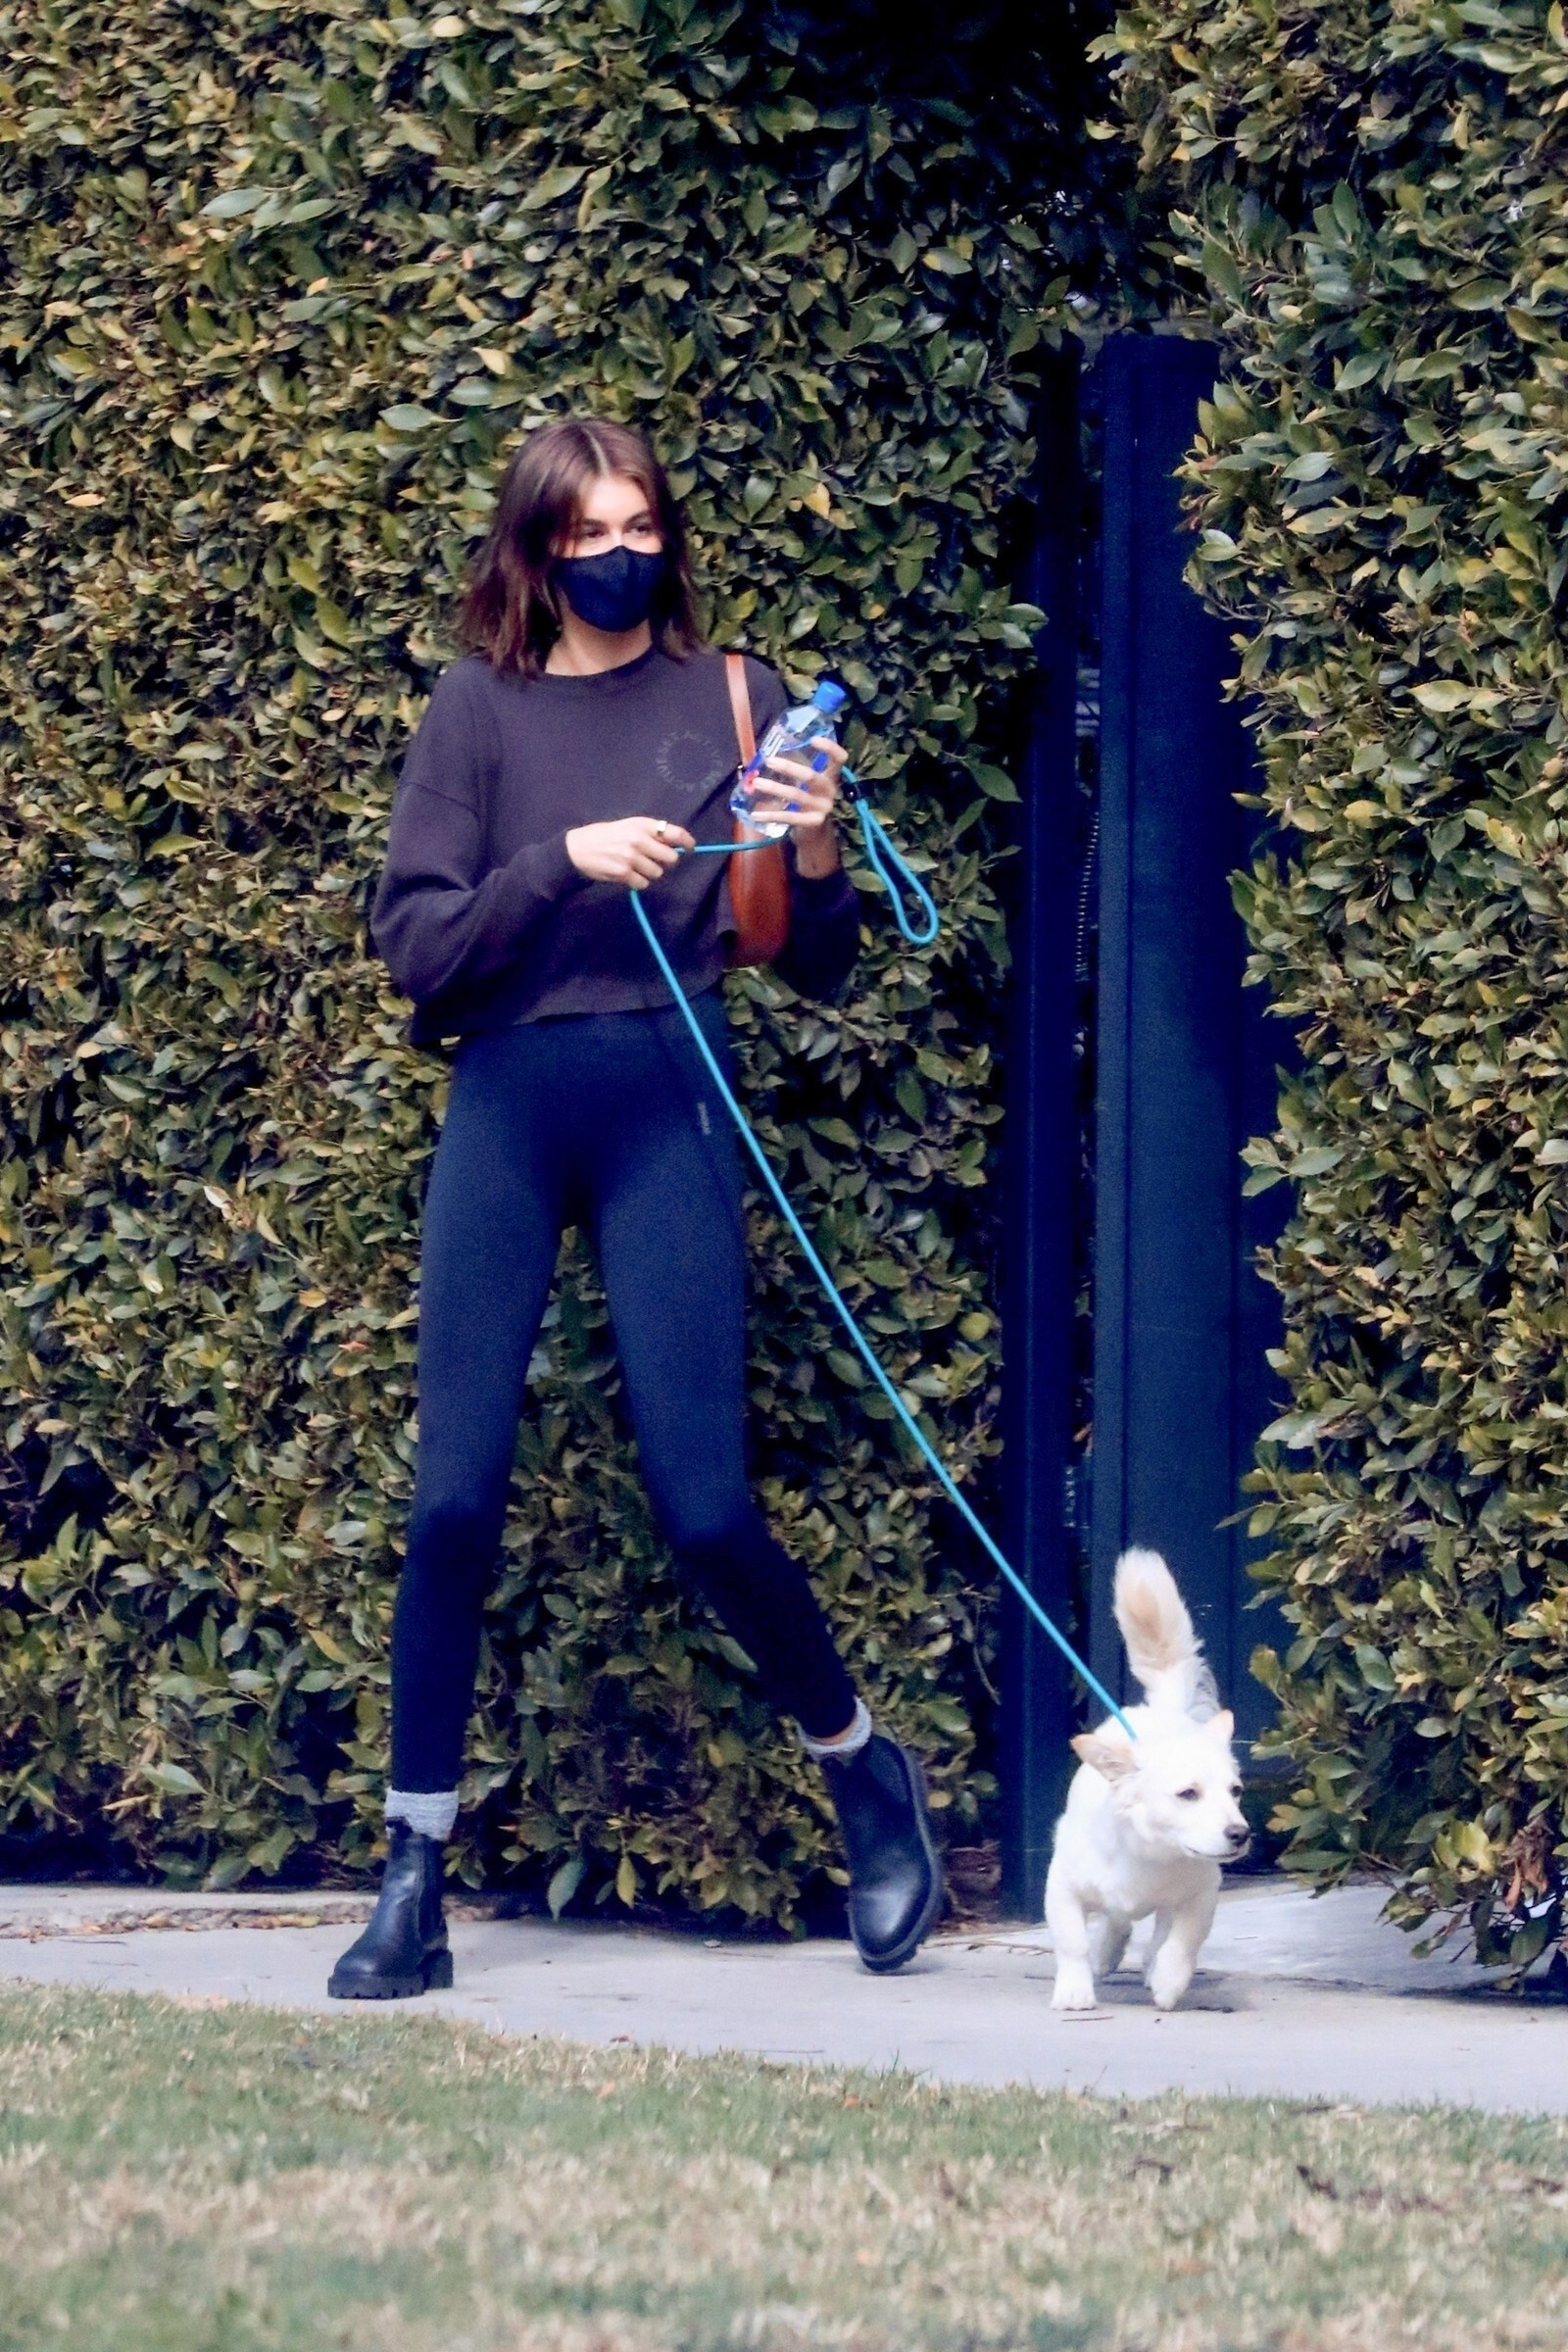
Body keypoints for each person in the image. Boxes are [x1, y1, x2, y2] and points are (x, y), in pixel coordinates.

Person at [328, 416, 943, 2000]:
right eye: (590, 530)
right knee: (451, 1506)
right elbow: (417, 943)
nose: (622, 552)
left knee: (707, 1506)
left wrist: (816, 838)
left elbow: (819, 964)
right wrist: (562, 860)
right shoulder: (479, 710)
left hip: (671, 1092)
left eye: (642, 524)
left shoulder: (724, 696)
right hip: (512, 1103)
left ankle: (864, 1771)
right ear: (538, 551)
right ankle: (410, 1881)